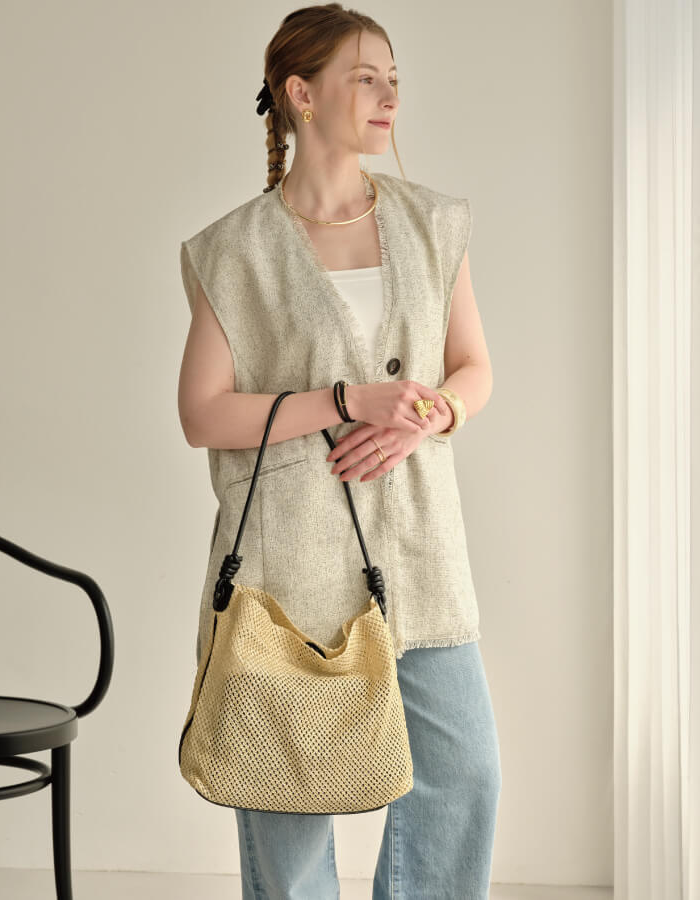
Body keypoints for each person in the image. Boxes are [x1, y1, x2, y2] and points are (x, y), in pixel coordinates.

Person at [178, 4, 501, 897]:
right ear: (302, 94)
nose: (390, 95)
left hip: (421, 547)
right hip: (289, 567)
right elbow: (202, 413)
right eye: (367, 78)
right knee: (286, 811)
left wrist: (432, 415)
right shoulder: (232, 250)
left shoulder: (435, 224)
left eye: (394, 79)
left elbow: (473, 369)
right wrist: (344, 402)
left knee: (465, 774)